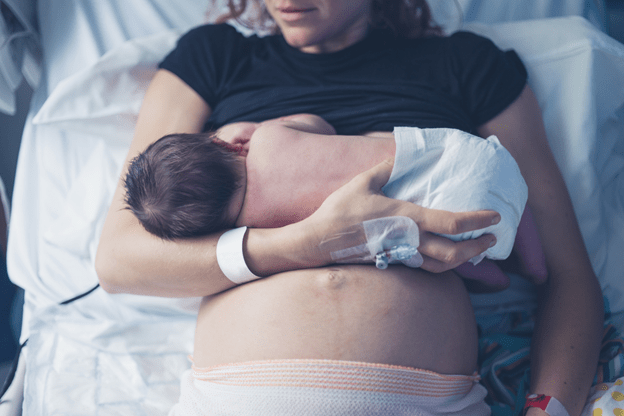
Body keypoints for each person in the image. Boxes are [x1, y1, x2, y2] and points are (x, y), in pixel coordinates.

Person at [95, 1, 603, 415]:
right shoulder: (215, 58)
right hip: (237, 396)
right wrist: (303, 243)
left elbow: (567, 274)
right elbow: (119, 259)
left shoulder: (469, 65)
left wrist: (547, 409)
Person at [123, 113, 527, 265]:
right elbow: (321, 125)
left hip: (442, 227)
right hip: (457, 155)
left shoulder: (257, 229)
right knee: (489, 177)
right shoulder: (266, 137)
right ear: (229, 143)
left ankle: (500, 270)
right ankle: (534, 250)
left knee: (454, 259)